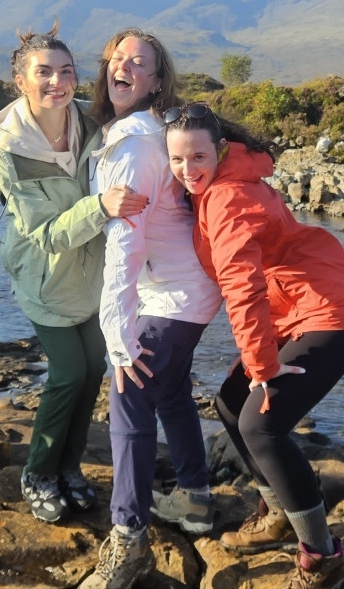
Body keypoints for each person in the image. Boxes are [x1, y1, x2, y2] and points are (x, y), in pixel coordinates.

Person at [164, 104, 344, 589]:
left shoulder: (226, 198)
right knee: (229, 403)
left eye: (198, 157)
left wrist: (262, 363)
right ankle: (280, 513)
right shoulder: (219, 182)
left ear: (218, 150)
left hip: (332, 312)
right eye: (177, 160)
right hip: (298, 307)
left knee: (261, 424)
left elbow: (242, 285)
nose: (187, 170)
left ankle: (323, 558)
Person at [78, 29, 222, 589]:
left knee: (129, 396)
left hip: (174, 294)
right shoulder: (135, 132)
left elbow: (126, 241)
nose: (126, 67)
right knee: (169, 390)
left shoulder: (134, 144)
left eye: (141, 62)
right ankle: (196, 498)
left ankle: (129, 536)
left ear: (158, 80)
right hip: (187, 290)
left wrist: (115, 332)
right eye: (118, 58)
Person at [0, 24, 148, 523]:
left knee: (95, 370)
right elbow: (46, 233)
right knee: (68, 374)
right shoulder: (10, 151)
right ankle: (37, 471)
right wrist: (101, 206)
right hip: (46, 276)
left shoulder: (88, 121)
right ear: (21, 81)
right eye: (44, 73)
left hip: (94, 275)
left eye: (66, 71)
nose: (57, 82)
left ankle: (70, 466)